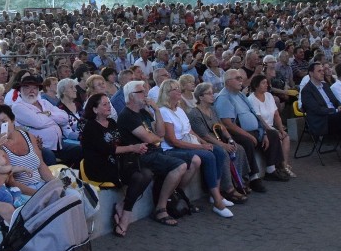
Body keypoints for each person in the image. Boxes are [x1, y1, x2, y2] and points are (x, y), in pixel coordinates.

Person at [118, 80, 202, 226]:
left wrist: (156, 110)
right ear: (131, 96)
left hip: (156, 151)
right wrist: (158, 138)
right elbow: (150, 138)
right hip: (139, 156)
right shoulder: (127, 115)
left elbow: (160, 133)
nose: (145, 94)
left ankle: (174, 196)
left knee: (192, 160)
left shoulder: (144, 112)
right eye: (141, 92)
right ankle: (160, 208)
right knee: (180, 165)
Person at [157, 79, 235, 217]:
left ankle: (214, 193)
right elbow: (174, 141)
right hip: (172, 149)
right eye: (175, 89)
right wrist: (201, 147)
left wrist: (202, 142)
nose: (179, 90)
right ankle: (217, 201)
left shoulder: (179, 109)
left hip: (187, 143)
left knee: (219, 151)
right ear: (167, 94)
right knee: (209, 155)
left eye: (178, 87)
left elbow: (190, 131)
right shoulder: (164, 112)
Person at [81, 92, 154, 236]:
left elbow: (122, 143)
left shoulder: (112, 123)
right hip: (99, 166)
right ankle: (125, 216)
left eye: (109, 103)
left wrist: (138, 147)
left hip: (118, 163)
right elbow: (107, 149)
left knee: (147, 173)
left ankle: (123, 206)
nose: (109, 106)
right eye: (104, 104)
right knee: (138, 177)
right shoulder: (90, 127)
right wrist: (133, 148)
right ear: (95, 109)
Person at [215, 70, 287, 189]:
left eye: (240, 78)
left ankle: (271, 170)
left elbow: (254, 114)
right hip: (235, 132)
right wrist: (249, 135)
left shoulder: (240, 95)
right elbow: (227, 124)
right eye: (237, 78)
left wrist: (263, 132)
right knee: (247, 142)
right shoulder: (224, 98)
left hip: (253, 130)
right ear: (228, 82)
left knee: (272, 134)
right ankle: (253, 177)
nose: (241, 80)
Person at [0, 105, 54, 196]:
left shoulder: (27, 136)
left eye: (4, 121)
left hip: (41, 184)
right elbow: (10, 181)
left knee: (71, 194)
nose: (0, 126)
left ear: (13, 120)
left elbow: (41, 165)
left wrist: (55, 184)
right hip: (22, 192)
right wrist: (38, 195)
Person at [247, 75, 294, 177]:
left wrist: (281, 129)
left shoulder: (269, 96)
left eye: (266, 83)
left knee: (286, 137)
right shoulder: (252, 99)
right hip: (261, 129)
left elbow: (276, 114)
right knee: (277, 137)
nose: (266, 85)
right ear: (256, 86)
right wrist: (273, 131)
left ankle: (284, 165)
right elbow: (260, 119)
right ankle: (277, 167)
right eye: (263, 83)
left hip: (271, 127)